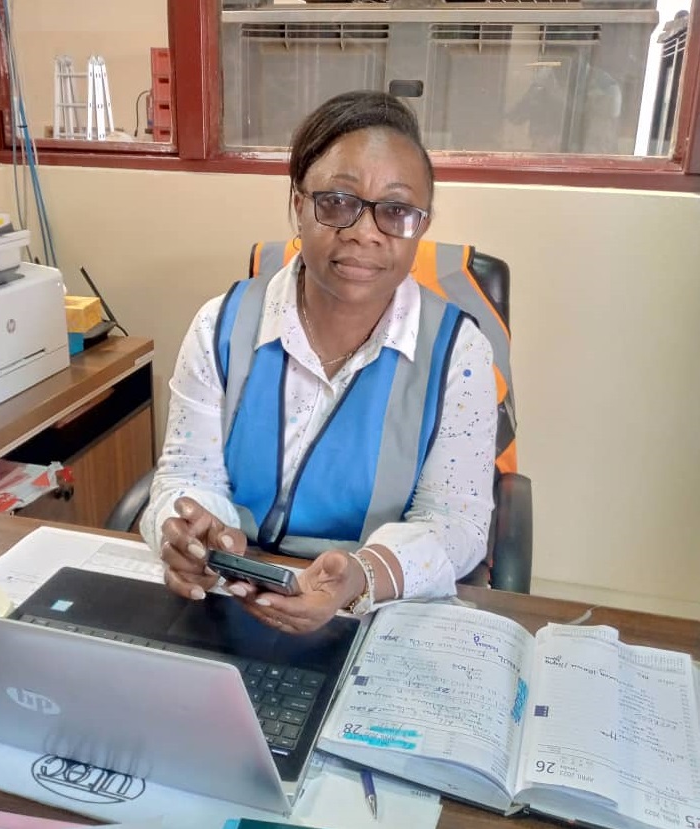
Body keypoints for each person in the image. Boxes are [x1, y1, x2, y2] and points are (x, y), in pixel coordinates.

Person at [140, 90, 497, 634]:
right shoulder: (221, 327)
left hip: (377, 610)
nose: (363, 232)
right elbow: (186, 474)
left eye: (397, 211)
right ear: (298, 205)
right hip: (229, 594)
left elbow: (456, 523)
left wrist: (362, 576)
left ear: (420, 226)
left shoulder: (458, 352)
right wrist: (189, 532)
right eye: (337, 201)